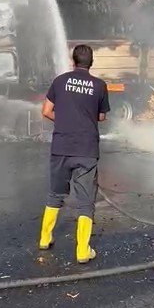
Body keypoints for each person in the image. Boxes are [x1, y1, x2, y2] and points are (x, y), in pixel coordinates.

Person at [39, 44, 110, 263]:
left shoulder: (60, 81)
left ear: (73, 60)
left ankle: (44, 239)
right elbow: (101, 117)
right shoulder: (99, 85)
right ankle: (82, 251)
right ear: (91, 63)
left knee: (55, 194)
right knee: (85, 201)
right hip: (86, 150)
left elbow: (46, 111)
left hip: (61, 147)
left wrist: (63, 120)